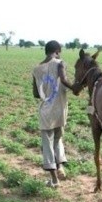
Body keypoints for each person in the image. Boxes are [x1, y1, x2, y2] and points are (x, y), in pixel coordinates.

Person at [32, 40, 76, 188]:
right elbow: (64, 80)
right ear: (57, 51)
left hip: (46, 112)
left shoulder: (36, 69)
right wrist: (75, 88)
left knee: (47, 144)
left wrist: (47, 89)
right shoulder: (60, 63)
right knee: (58, 140)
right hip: (60, 110)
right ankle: (61, 167)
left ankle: (54, 180)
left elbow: (36, 94)